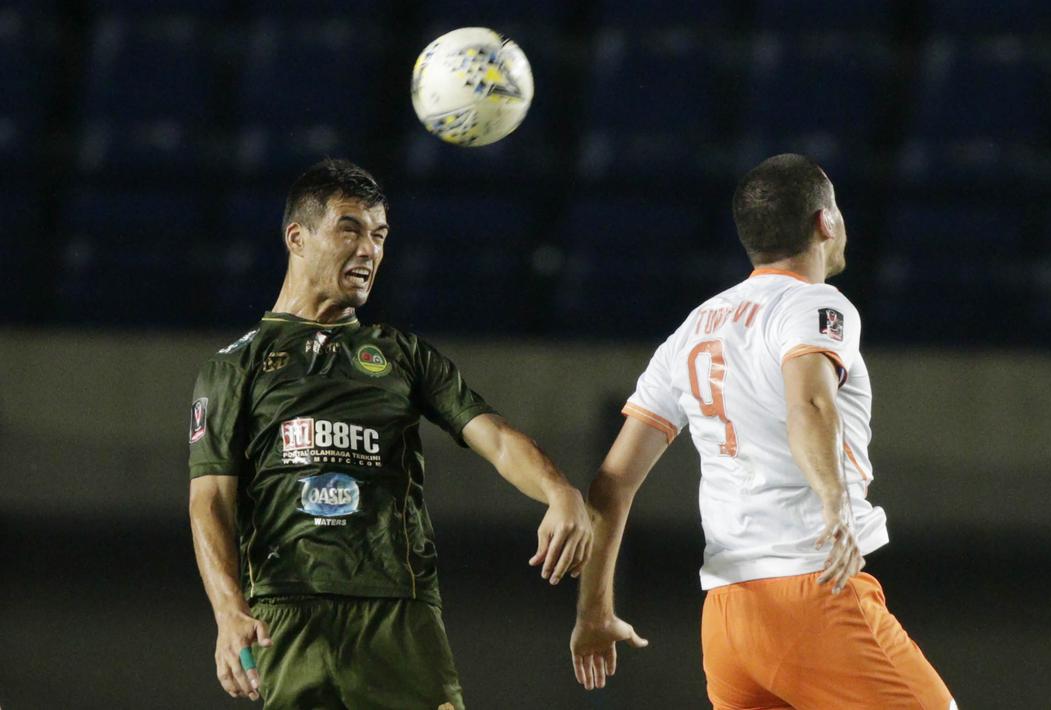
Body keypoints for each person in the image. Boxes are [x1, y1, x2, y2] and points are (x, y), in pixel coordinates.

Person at [188, 158, 592, 710]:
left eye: (379, 236)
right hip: (287, 613)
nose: (368, 251)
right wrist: (228, 611)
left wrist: (559, 490)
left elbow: (494, 437)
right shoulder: (236, 366)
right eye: (350, 229)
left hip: (398, 610)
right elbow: (210, 499)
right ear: (297, 237)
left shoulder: (401, 355)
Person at [569, 154, 955, 708]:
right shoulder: (815, 303)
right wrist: (835, 504)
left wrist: (594, 610)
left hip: (727, 615)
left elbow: (612, 483)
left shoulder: (690, 330)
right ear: (825, 222)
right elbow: (810, 403)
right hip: (808, 589)